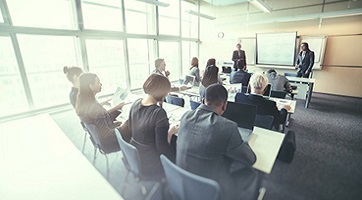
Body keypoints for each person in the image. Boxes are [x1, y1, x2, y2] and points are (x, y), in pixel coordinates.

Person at [177, 84, 259, 200]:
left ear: (203, 100)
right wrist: (242, 143)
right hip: (211, 189)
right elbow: (251, 159)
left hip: (183, 182)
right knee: (252, 172)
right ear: (225, 105)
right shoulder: (228, 127)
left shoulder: (185, 117)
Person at [127, 74, 179, 179]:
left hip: (135, 157)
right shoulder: (159, 114)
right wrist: (170, 132)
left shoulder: (135, 103)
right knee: (176, 148)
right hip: (151, 163)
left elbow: (130, 127)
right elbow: (163, 149)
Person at [76, 73, 128, 153]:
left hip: (101, 142)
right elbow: (106, 135)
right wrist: (124, 127)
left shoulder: (83, 103)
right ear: (91, 86)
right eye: (98, 83)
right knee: (137, 131)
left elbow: (100, 124)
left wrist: (113, 125)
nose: (101, 84)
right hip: (110, 143)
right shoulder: (95, 107)